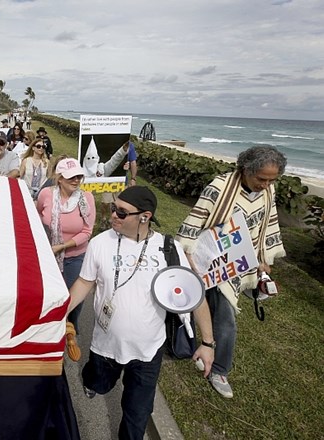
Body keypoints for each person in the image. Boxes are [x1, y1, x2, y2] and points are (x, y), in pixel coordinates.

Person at [68, 186, 214, 440]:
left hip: (149, 351)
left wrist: (208, 342)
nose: (113, 214)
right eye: (113, 208)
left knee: (137, 413)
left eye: (121, 212)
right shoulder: (100, 243)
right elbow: (84, 283)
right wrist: (58, 314)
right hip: (105, 347)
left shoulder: (169, 249)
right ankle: (91, 381)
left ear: (144, 217)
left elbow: (195, 295)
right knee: (98, 382)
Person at [176, 145, 287, 399]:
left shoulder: (268, 192)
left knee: (225, 313)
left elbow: (266, 224)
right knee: (195, 303)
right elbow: (198, 217)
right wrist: (189, 253)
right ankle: (191, 346)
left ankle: (219, 368)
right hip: (206, 258)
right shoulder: (221, 186)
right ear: (246, 169)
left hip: (236, 266)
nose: (265, 184)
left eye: (272, 179)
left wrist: (262, 258)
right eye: (261, 178)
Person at [36, 158, 95, 333]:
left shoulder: (87, 199)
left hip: (74, 256)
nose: (76, 180)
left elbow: (87, 231)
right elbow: (39, 213)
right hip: (48, 255)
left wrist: (62, 246)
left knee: (72, 298)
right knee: (50, 296)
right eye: (71, 177)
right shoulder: (46, 194)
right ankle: (50, 331)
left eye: (79, 176)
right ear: (60, 178)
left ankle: (71, 329)